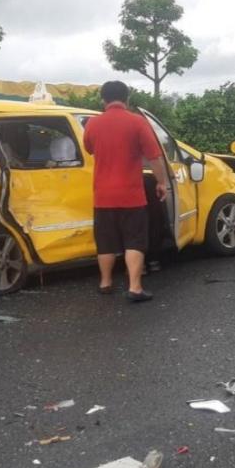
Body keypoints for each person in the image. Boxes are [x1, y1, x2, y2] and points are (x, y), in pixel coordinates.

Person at [83, 81, 169, 302]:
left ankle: (105, 282)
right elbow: (155, 157)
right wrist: (161, 182)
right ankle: (135, 287)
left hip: (103, 196)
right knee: (134, 241)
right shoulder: (137, 122)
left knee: (105, 242)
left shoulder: (93, 124)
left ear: (103, 100)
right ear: (127, 99)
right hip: (132, 196)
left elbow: (89, 148)